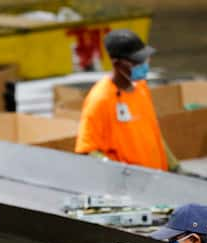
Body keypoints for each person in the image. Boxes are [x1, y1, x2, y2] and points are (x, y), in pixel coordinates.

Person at [75, 29, 179, 171]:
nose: (144, 65)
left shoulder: (141, 88)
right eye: (137, 62)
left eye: (145, 60)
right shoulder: (100, 99)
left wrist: (175, 167)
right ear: (117, 64)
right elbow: (87, 150)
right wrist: (120, 172)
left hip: (156, 180)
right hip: (128, 187)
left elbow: (154, 133)